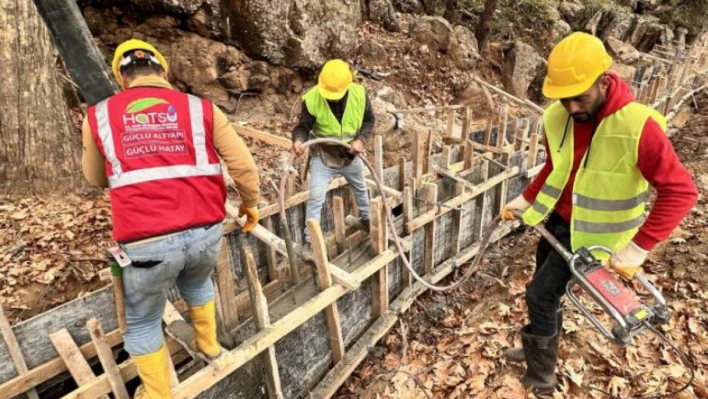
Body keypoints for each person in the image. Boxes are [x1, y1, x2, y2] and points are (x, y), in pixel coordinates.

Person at [500, 32, 698, 396]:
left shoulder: (637, 126)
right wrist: (526, 200)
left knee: (539, 296)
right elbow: (554, 167)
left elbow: (681, 191)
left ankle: (541, 376)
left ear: (605, 81)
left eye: (581, 96)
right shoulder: (557, 118)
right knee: (546, 293)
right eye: (565, 98)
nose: (573, 107)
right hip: (559, 223)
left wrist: (640, 247)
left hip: (596, 236)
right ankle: (539, 350)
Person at [82, 39, 260, 398]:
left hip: (146, 242)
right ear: (164, 71)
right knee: (197, 283)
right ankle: (209, 345)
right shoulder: (201, 109)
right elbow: (243, 167)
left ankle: (158, 394)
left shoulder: (100, 115)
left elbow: (97, 178)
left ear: (122, 77)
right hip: (205, 232)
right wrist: (249, 204)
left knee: (143, 319)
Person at [292, 59, 376, 258]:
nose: (333, 99)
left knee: (360, 188)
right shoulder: (312, 98)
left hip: (350, 154)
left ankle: (367, 220)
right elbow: (303, 127)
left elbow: (369, 120)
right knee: (315, 197)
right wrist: (298, 141)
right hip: (324, 154)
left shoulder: (359, 94)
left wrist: (361, 141)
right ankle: (310, 242)